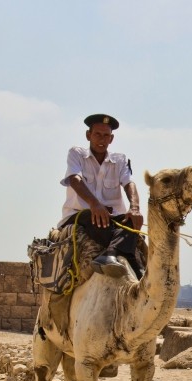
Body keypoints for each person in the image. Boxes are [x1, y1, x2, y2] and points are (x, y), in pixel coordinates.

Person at [58, 114, 144, 278]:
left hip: (110, 219)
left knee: (132, 221)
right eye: (97, 134)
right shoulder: (76, 154)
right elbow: (74, 179)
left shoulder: (120, 160)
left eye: (106, 136)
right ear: (88, 135)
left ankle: (111, 252)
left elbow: (129, 183)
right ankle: (129, 256)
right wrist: (94, 204)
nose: (101, 139)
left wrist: (134, 208)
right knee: (95, 216)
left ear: (111, 139)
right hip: (80, 214)